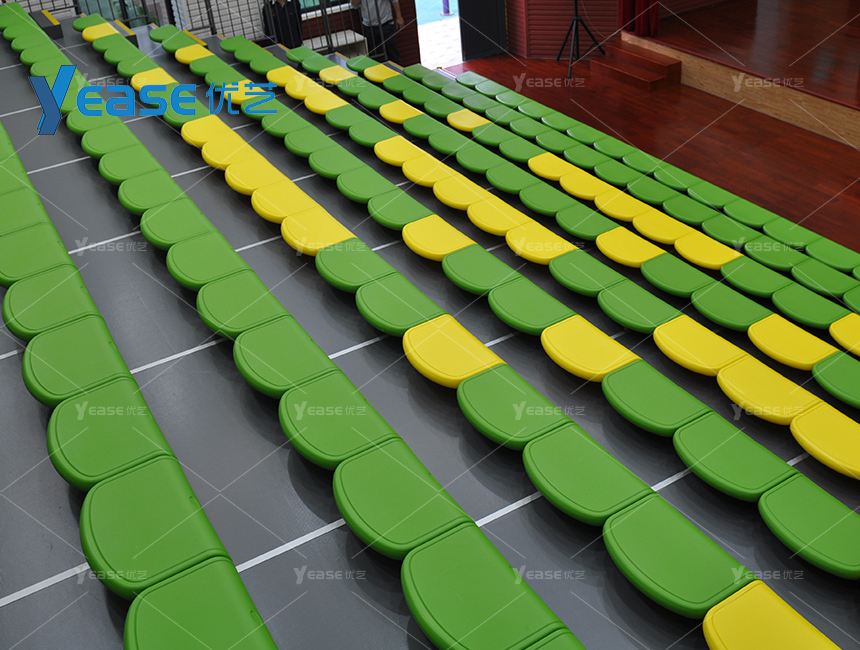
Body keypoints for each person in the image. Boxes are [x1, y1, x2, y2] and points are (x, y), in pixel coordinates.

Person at [350, 0, 403, 64]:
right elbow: (355, 5)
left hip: (386, 23)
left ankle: (397, 69)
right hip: (369, 27)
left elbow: (394, 0)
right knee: (373, 58)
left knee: (393, 55)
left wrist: (399, 17)